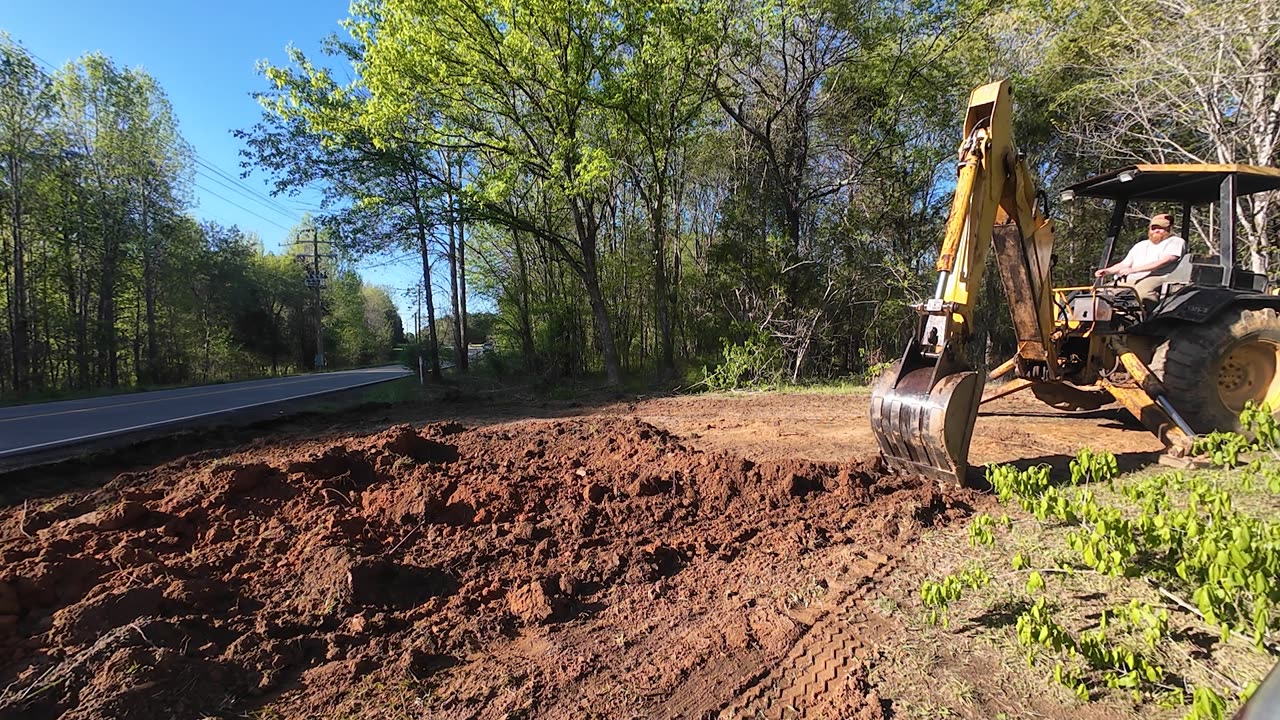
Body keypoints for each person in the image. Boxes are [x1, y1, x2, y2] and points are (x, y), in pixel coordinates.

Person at [1094, 213, 1187, 307]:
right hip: (1134, 278)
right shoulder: (1141, 245)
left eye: (1161, 228)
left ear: (1169, 228)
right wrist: (1107, 271)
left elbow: (1165, 261)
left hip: (1161, 276)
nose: (1157, 230)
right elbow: (1124, 264)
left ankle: (1151, 316)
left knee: (1143, 290)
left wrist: (1133, 270)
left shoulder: (1176, 242)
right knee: (1099, 292)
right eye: (1154, 228)